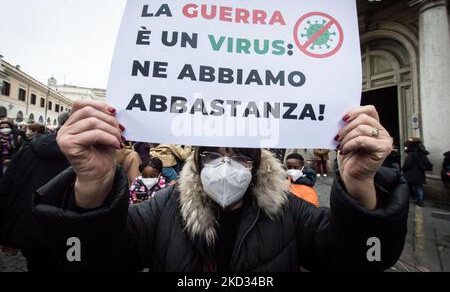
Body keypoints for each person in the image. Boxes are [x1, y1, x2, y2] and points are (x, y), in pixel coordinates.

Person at [31, 101, 409, 272]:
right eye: (212, 155)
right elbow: (86, 260)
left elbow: (361, 260)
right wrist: (92, 186)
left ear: (259, 164)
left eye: (241, 156)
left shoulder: (290, 210)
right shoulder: (163, 208)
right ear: (195, 161)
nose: (225, 166)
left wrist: (360, 184)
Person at [0, 113, 70, 271]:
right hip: (68, 236)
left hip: (29, 228)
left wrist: (5, 236)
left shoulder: (28, 149)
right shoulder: (89, 155)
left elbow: (5, 191)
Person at [402, 137, 432, 207]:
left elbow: (408, 163)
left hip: (411, 172)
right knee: (419, 186)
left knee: (407, 184)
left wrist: (403, 169)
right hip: (419, 171)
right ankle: (420, 200)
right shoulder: (420, 151)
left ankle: (410, 197)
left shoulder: (412, 152)